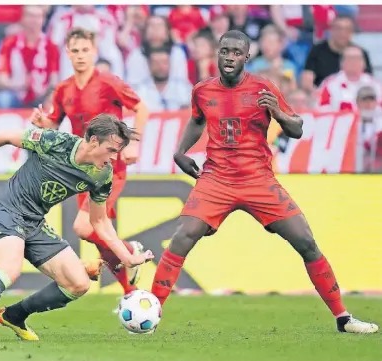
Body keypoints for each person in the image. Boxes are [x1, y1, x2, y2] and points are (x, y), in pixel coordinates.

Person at [150, 30, 379, 334]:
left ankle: (343, 318)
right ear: (218, 53)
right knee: (182, 236)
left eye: (236, 53)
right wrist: (179, 151)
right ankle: (150, 312)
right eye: (224, 51)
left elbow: (297, 129)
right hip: (216, 178)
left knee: (306, 242)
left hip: (258, 179)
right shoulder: (203, 90)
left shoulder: (263, 88)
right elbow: (196, 120)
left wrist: (279, 114)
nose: (229, 57)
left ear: (246, 57)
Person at [0, 114, 155, 343]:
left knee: (78, 283)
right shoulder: (56, 142)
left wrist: (127, 257)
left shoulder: (102, 175)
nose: (114, 157)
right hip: (6, 210)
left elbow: (99, 221)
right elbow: (8, 136)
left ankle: (15, 315)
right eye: (111, 150)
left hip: (34, 222)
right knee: (10, 269)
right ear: (93, 141)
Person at [31, 28, 150, 296]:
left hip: (110, 169)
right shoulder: (63, 89)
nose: (81, 56)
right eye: (75, 50)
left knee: (85, 227)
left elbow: (141, 108)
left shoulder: (109, 82)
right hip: (81, 171)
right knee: (100, 238)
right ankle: (129, 291)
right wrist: (43, 123)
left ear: (94, 52)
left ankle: (130, 251)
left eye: (85, 50)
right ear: (68, 54)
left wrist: (135, 144)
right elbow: (54, 122)